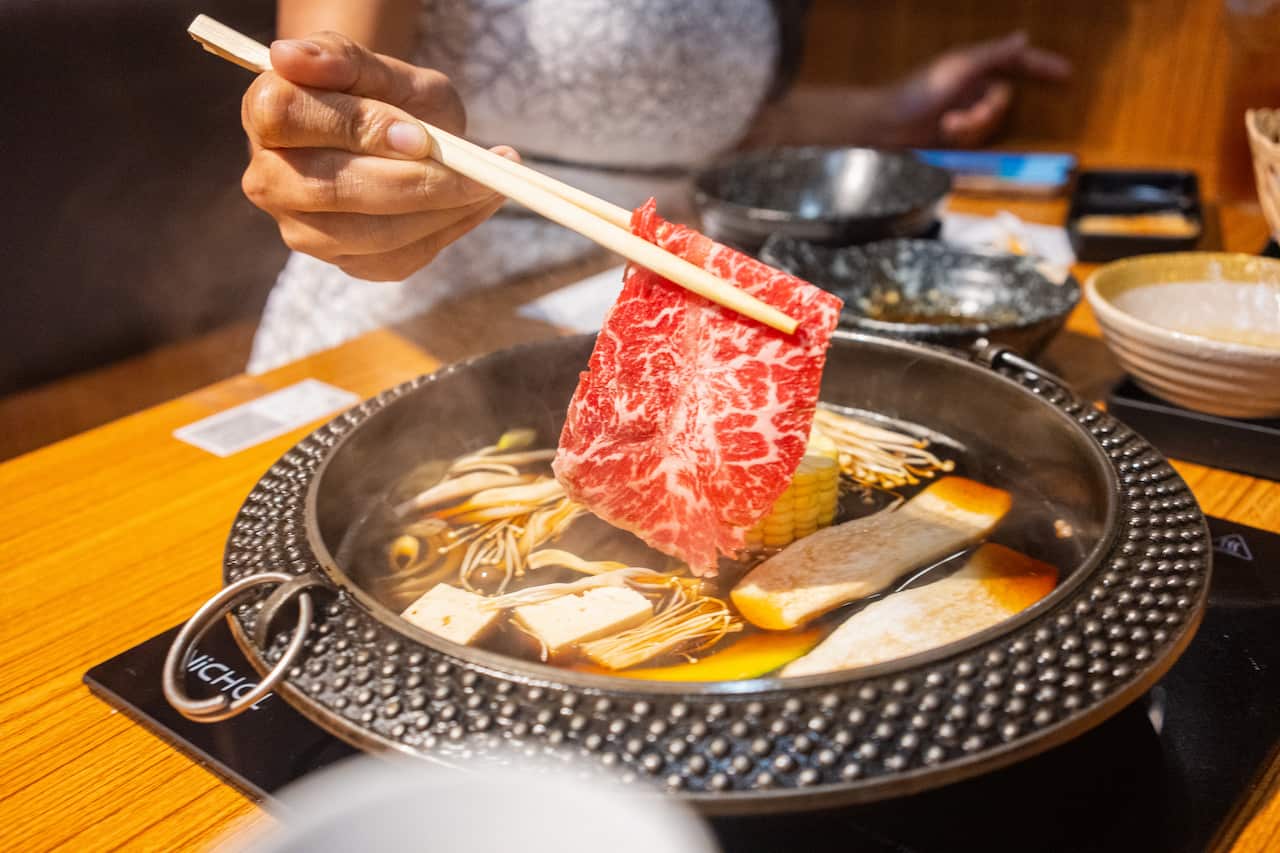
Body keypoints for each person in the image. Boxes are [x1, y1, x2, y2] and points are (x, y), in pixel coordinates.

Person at [242, 1, 1070, 372]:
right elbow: (319, 97)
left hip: (641, 295)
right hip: (418, 298)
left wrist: (891, 110)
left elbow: (679, 128)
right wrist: (325, 157)